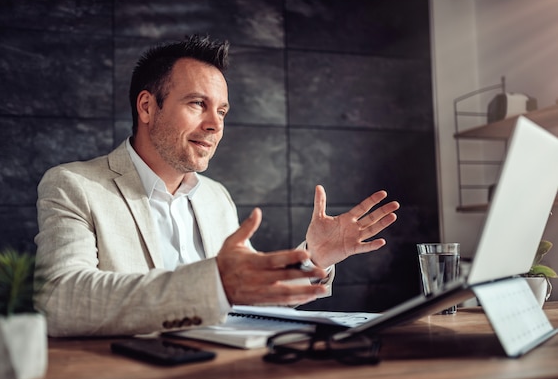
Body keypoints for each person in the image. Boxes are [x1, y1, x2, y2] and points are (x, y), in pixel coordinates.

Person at [34, 35, 400, 337]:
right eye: (197, 104)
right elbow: (60, 299)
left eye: (222, 111)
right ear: (147, 107)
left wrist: (313, 258)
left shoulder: (215, 197)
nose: (215, 124)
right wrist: (214, 284)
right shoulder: (74, 185)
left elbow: (250, 295)